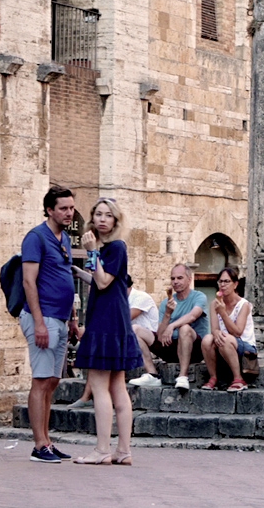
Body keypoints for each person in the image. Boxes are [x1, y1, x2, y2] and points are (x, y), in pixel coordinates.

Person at [71, 197, 142, 465]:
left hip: (107, 321)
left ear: (115, 220)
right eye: (98, 214)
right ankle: (123, 451)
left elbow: (102, 282)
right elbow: (104, 281)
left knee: (100, 386)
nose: (102, 219)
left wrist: (90, 252)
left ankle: (102, 450)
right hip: (115, 318)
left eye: (107, 215)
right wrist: (81, 271)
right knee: (117, 387)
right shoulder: (110, 249)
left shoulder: (115, 247)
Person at [18, 184, 80, 463]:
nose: (69, 213)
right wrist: (40, 323)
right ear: (49, 210)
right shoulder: (36, 237)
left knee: (53, 380)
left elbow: (65, 277)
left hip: (61, 319)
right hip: (41, 318)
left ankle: (47, 441)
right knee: (41, 380)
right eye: (63, 208)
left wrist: (72, 318)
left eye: (71, 208)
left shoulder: (64, 238)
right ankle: (38, 444)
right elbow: (28, 281)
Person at [72, 274, 160, 405]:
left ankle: (152, 374)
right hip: (126, 342)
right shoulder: (119, 300)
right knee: (99, 348)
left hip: (144, 344)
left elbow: (121, 320)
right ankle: (87, 397)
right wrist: (79, 272)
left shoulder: (141, 297)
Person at [150, 263, 209, 390]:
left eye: (179, 278)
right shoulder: (166, 303)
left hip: (195, 349)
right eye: (173, 278)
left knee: (185, 328)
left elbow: (193, 316)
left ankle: (183, 375)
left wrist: (172, 326)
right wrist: (167, 314)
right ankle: (151, 374)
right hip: (171, 346)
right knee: (137, 330)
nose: (175, 282)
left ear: (189, 279)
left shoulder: (199, 297)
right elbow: (160, 336)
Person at [200, 267, 256, 392]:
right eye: (220, 282)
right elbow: (214, 329)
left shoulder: (244, 305)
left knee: (225, 339)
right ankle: (213, 377)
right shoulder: (215, 303)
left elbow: (237, 332)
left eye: (227, 282)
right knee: (207, 339)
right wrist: (216, 333)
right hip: (225, 343)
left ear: (235, 284)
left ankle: (238, 378)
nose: (223, 285)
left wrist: (223, 313)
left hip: (244, 345)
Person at [124, 275, 162, 387]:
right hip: (132, 342)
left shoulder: (140, 297)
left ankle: (152, 374)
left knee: (133, 328)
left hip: (149, 342)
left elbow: (125, 319)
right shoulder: (122, 300)